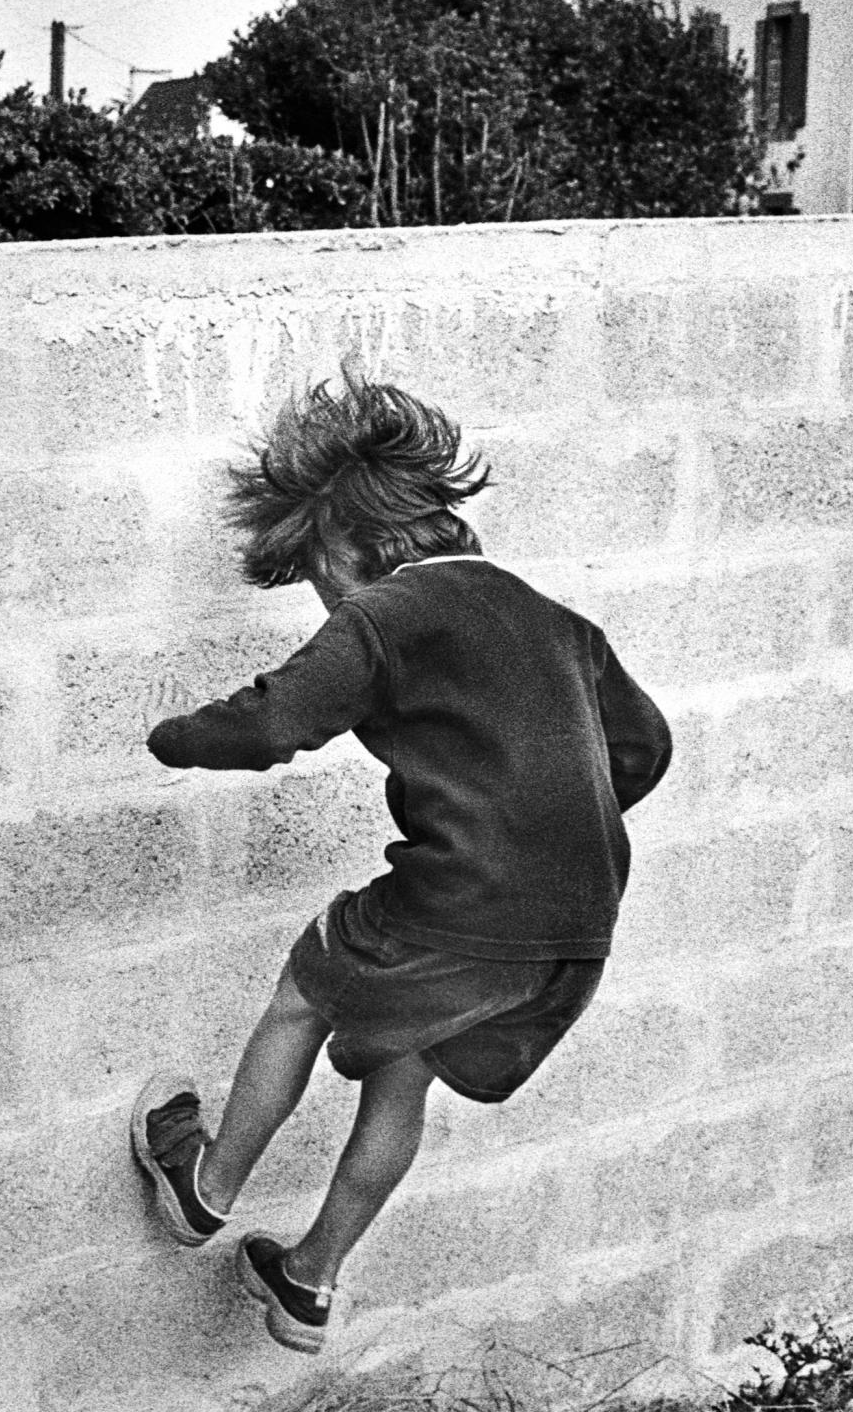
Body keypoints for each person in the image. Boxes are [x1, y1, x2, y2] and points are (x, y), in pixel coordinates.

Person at [130, 370, 671, 1352]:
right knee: (401, 1073)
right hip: (574, 928)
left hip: (462, 902)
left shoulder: (382, 617)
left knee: (306, 986)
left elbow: (274, 722)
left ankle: (203, 1189)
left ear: (354, 537)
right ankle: (307, 1281)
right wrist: (540, 825)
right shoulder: (551, 620)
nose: (319, 594)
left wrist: (168, 738)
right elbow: (643, 751)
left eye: (313, 567)